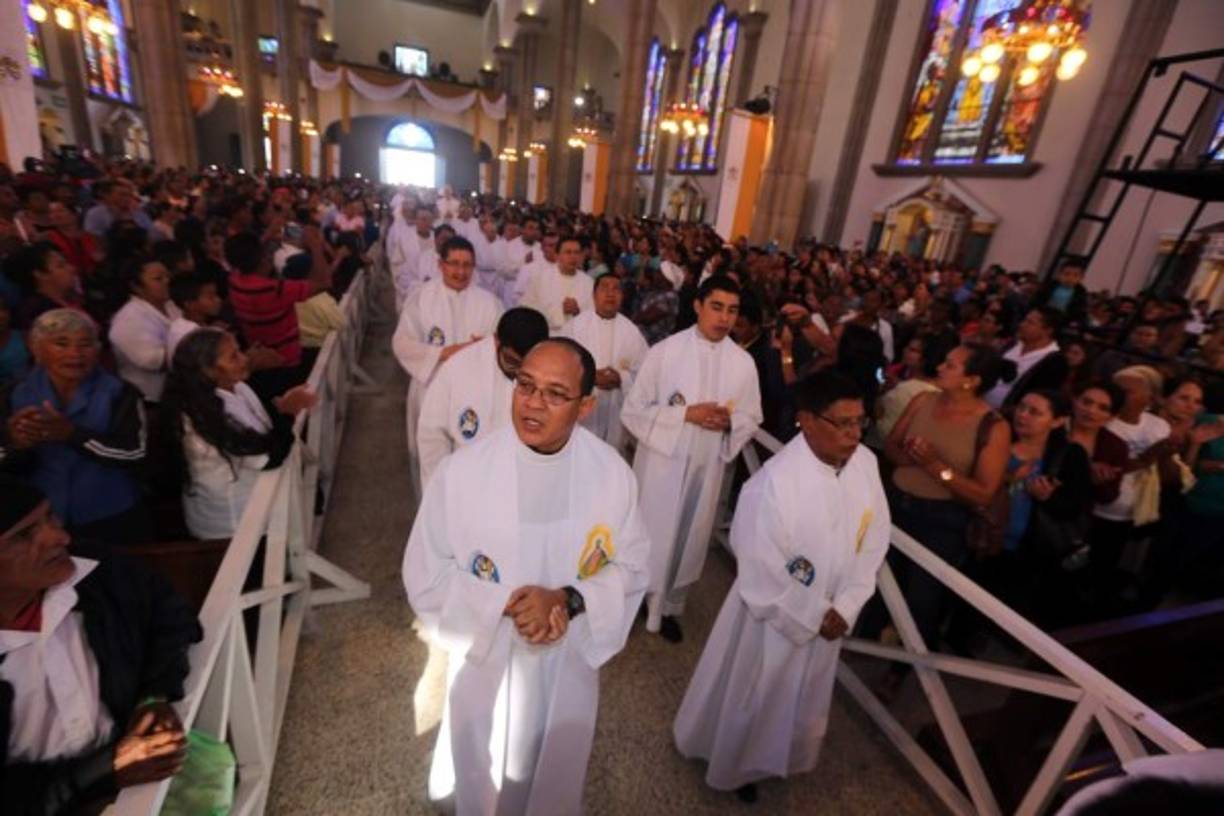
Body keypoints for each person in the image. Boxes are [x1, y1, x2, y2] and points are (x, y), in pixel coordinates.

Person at [403, 339, 650, 815]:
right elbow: (425, 574)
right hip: (488, 659)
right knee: (485, 771)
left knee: (553, 772)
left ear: (586, 406)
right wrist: (506, 606)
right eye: (525, 386)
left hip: (570, 660)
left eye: (556, 394)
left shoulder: (612, 476)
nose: (533, 403)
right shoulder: (462, 474)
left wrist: (570, 600)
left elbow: (634, 564)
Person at [673, 371, 890, 803]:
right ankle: (733, 767)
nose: (852, 434)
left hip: (832, 615)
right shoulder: (773, 482)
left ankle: (784, 756)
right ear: (805, 420)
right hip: (772, 618)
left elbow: (875, 538)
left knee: (801, 697)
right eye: (841, 423)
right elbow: (758, 567)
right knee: (755, 695)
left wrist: (846, 606)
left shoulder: (865, 463)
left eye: (859, 423)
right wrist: (812, 614)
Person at [0, 477, 202, 813]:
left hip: (135, 779)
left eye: (50, 518)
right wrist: (99, 773)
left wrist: (154, 696)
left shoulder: (99, 573)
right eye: (23, 536)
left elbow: (170, 618)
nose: (59, 537)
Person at [621, 275, 763, 642]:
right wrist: (685, 415)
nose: (724, 318)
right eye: (716, 307)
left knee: (689, 536)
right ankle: (638, 599)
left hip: (707, 466)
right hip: (662, 465)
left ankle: (668, 605)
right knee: (654, 529)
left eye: (732, 311)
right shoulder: (664, 352)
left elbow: (751, 416)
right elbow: (633, 411)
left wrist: (730, 421)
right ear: (698, 306)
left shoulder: (743, 364)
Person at [884, 343, 1012, 650]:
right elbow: (891, 446)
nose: (940, 367)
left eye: (951, 365)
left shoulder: (993, 427)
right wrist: (912, 457)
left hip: (940, 521)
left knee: (922, 598)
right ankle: (868, 641)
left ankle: (905, 667)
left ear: (972, 380)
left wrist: (935, 465)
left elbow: (983, 493)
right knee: (881, 581)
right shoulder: (923, 399)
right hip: (895, 504)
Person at [0, 310, 150, 544]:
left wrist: (72, 434)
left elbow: (134, 453)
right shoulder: (11, 394)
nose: (75, 354)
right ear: (37, 349)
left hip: (109, 514)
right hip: (38, 521)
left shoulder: (120, 393)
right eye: (61, 344)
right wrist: (15, 444)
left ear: (98, 350)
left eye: (85, 344)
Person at [162, 329, 317, 540]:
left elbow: (260, 429)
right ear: (208, 371)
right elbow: (268, 458)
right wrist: (288, 414)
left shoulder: (237, 387)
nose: (245, 359)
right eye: (233, 357)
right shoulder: (204, 415)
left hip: (253, 496)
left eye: (240, 351)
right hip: (234, 524)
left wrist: (280, 409)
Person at [392, 235, 503, 497]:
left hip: (475, 393)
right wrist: (444, 352)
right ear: (440, 265)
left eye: (467, 265)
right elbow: (402, 343)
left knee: (470, 459)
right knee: (429, 458)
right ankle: (427, 516)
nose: (461, 271)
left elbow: (501, 345)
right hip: (430, 387)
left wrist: (486, 349)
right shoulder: (421, 298)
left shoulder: (489, 303)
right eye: (454, 263)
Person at [417, 307, 549, 488]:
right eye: (512, 362)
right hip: (466, 485)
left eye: (527, 365)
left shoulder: (551, 373)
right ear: (496, 341)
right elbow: (432, 434)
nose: (519, 372)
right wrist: (439, 488)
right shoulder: (458, 367)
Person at [1086, 366, 1171, 617]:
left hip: (1134, 512)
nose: (1118, 395)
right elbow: (1103, 469)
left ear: (1150, 398)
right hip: (1098, 509)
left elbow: (1163, 472)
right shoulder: (1103, 423)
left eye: (1128, 391)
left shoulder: (1159, 426)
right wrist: (1146, 459)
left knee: (1110, 568)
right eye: (1116, 388)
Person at [559, 274, 649, 454]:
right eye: (604, 288)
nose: (610, 293)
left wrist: (621, 379)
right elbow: (560, 366)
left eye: (616, 289)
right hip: (582, 409)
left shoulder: (632, 333)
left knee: (611, 455)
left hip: (616, 409)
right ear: (593, 295)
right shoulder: (575, 327)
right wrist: (590, 377)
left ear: (622, 297)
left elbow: (645, 374)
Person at [107, 256, 180, 403]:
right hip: (152, 399)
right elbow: (153, 361)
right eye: (158, 279)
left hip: (178, 392)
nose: (167, 281)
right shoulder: (128, 319)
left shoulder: (172, 306)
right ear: (136, 286)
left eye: (168, 276)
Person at [986, 308, 1066, 410]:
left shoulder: (1055, 362)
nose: (1022, 325)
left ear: (1048, 330)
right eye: (1024, 320)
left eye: (1030, 323)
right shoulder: (1012, 345)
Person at [522, 235, 594, 332]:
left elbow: (594, 313)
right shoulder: (541, 279)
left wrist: (577, 311)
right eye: (568, 252)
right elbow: (527, 308)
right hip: (548, 334)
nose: (573, 257)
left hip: (578, 336)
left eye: (577, 252)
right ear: (557, 255)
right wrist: (559, 311)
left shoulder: (589, 282)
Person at [166, 271, 225, 363]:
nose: (218, 300)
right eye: (211, 297)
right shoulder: (194, 338)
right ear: (189, 304)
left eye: (216, 294)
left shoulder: (178, 324)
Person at [1030, 258, 1088, 328]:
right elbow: (1037, 300)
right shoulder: (1050, 286)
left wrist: (1076, 321)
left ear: (1081, 278)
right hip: (1044, 315)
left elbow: (1080, 310)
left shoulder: (1080, 292)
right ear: (1059, 275)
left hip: (1064, 320)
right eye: (1066, 274)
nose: (1070, 278)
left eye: (1075, 275)